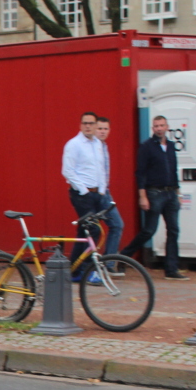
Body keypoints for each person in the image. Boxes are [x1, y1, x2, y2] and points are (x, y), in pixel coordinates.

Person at [121, 115, 187, 280]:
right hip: (154, 193)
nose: (159, 128)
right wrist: (142, 196)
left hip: (171, 193)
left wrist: (178, 194)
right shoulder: (146, 147)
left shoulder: (171, 146)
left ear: (167, 127)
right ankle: (123, 256)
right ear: (153, 129)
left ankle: (171, 270)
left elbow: (174, 170)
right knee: (149, 230)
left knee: (173, 230)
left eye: (161, 125)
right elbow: (140, 173)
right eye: (156, 126)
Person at [61, 111, 109, 282]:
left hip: (97, 193)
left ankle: (74, 270)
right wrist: (84, 191)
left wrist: (102, 190)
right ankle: (89, 271)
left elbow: (101, 168)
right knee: (93, 230)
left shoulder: (98, 144)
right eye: (85, 123)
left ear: (96, 125)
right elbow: (67, 171)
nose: (88, 126)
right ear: (80, 125)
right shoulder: (73, 145)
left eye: (91, 123)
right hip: (82, 194)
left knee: (83, 231)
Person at [92, 117, 124, 258]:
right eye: (100, 129)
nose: (103, 132)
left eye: (106, 129)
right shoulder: (91, 147)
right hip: (94, 193)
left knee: (116, 225)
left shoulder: (104, 146)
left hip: (105, 192)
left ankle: (107, 263)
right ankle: (91, 264)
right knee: (94, 229)